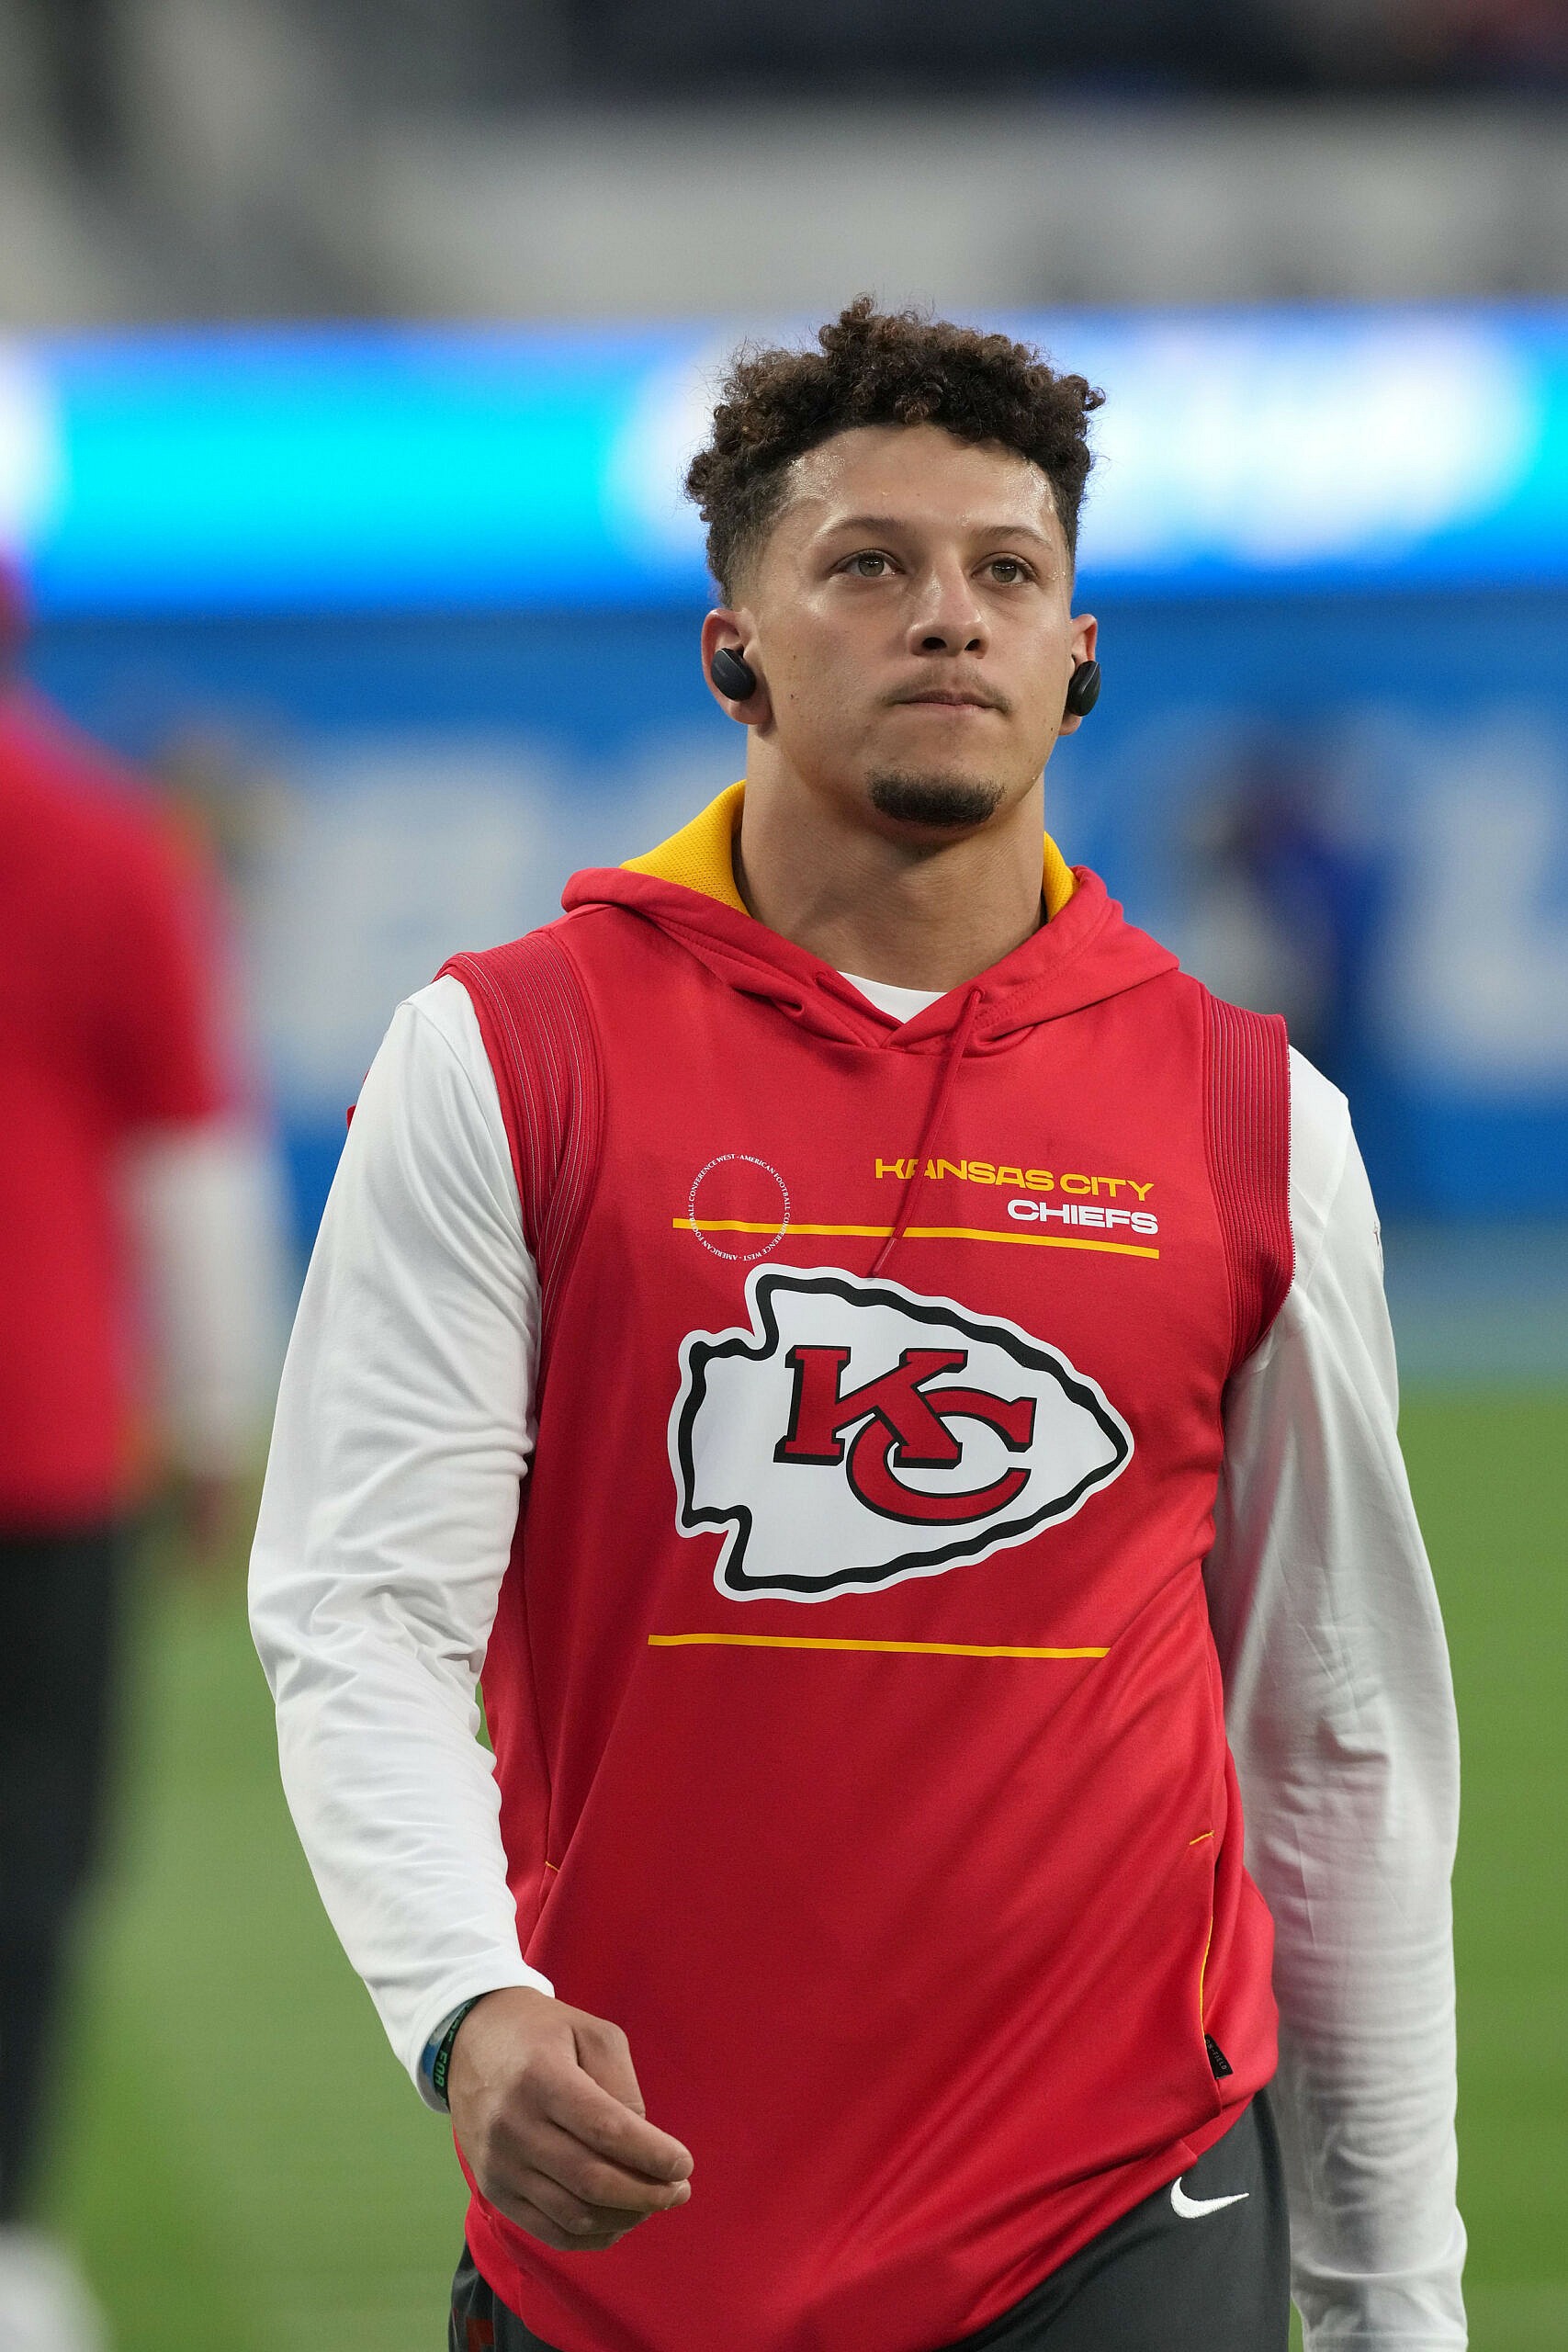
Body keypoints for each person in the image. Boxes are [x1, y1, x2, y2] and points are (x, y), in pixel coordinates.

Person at [251, 301, 1464, 2352]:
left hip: (1119, 2199)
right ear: (731, 643)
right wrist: (461, 1996)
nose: (948, 620)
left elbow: (1332, 1732)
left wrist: (1390, 2294)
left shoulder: (1254, 1121)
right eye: (867, 566)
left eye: (1007, 573)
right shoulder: (502, 1056)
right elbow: (363, 1603)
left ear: (1080, 659)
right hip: (639, 2209)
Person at [0, 568, 283, 2352]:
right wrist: (212, 1418)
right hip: (34, 1443)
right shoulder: (100, 842)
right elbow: (191, 1150)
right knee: (28, 1850)